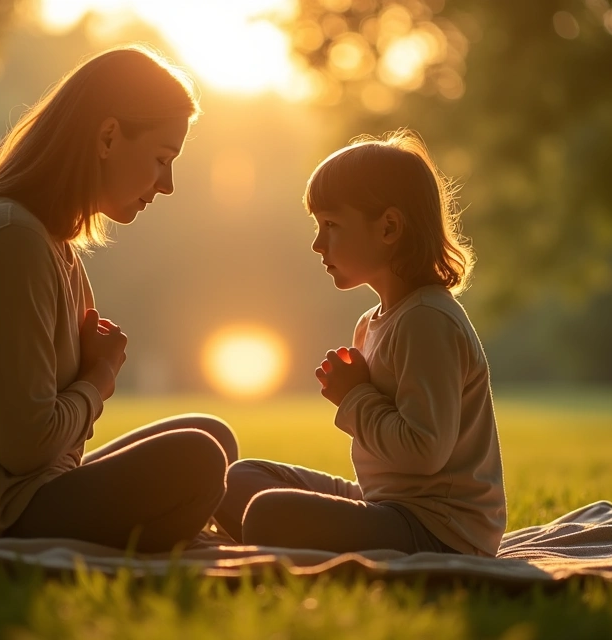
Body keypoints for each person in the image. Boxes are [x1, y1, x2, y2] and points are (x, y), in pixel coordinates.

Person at [0, 45, 238, 553]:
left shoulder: (48, 244)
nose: (168, 184)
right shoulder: (6, 240)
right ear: (108, 136)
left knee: (210, 436)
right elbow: (26, 448)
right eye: (161, 159)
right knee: (196, 460)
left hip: (10, 497)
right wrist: (98, 378)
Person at [212, 130, 506, 556]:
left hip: (439, 531)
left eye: (331, 225)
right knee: (237, 479)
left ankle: (296, 534)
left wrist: (354, 397)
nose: (317, 244)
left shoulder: (427, 322)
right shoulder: (373, 323)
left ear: (388, 227)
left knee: (266, 513)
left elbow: (424, 453)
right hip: (387, 506)